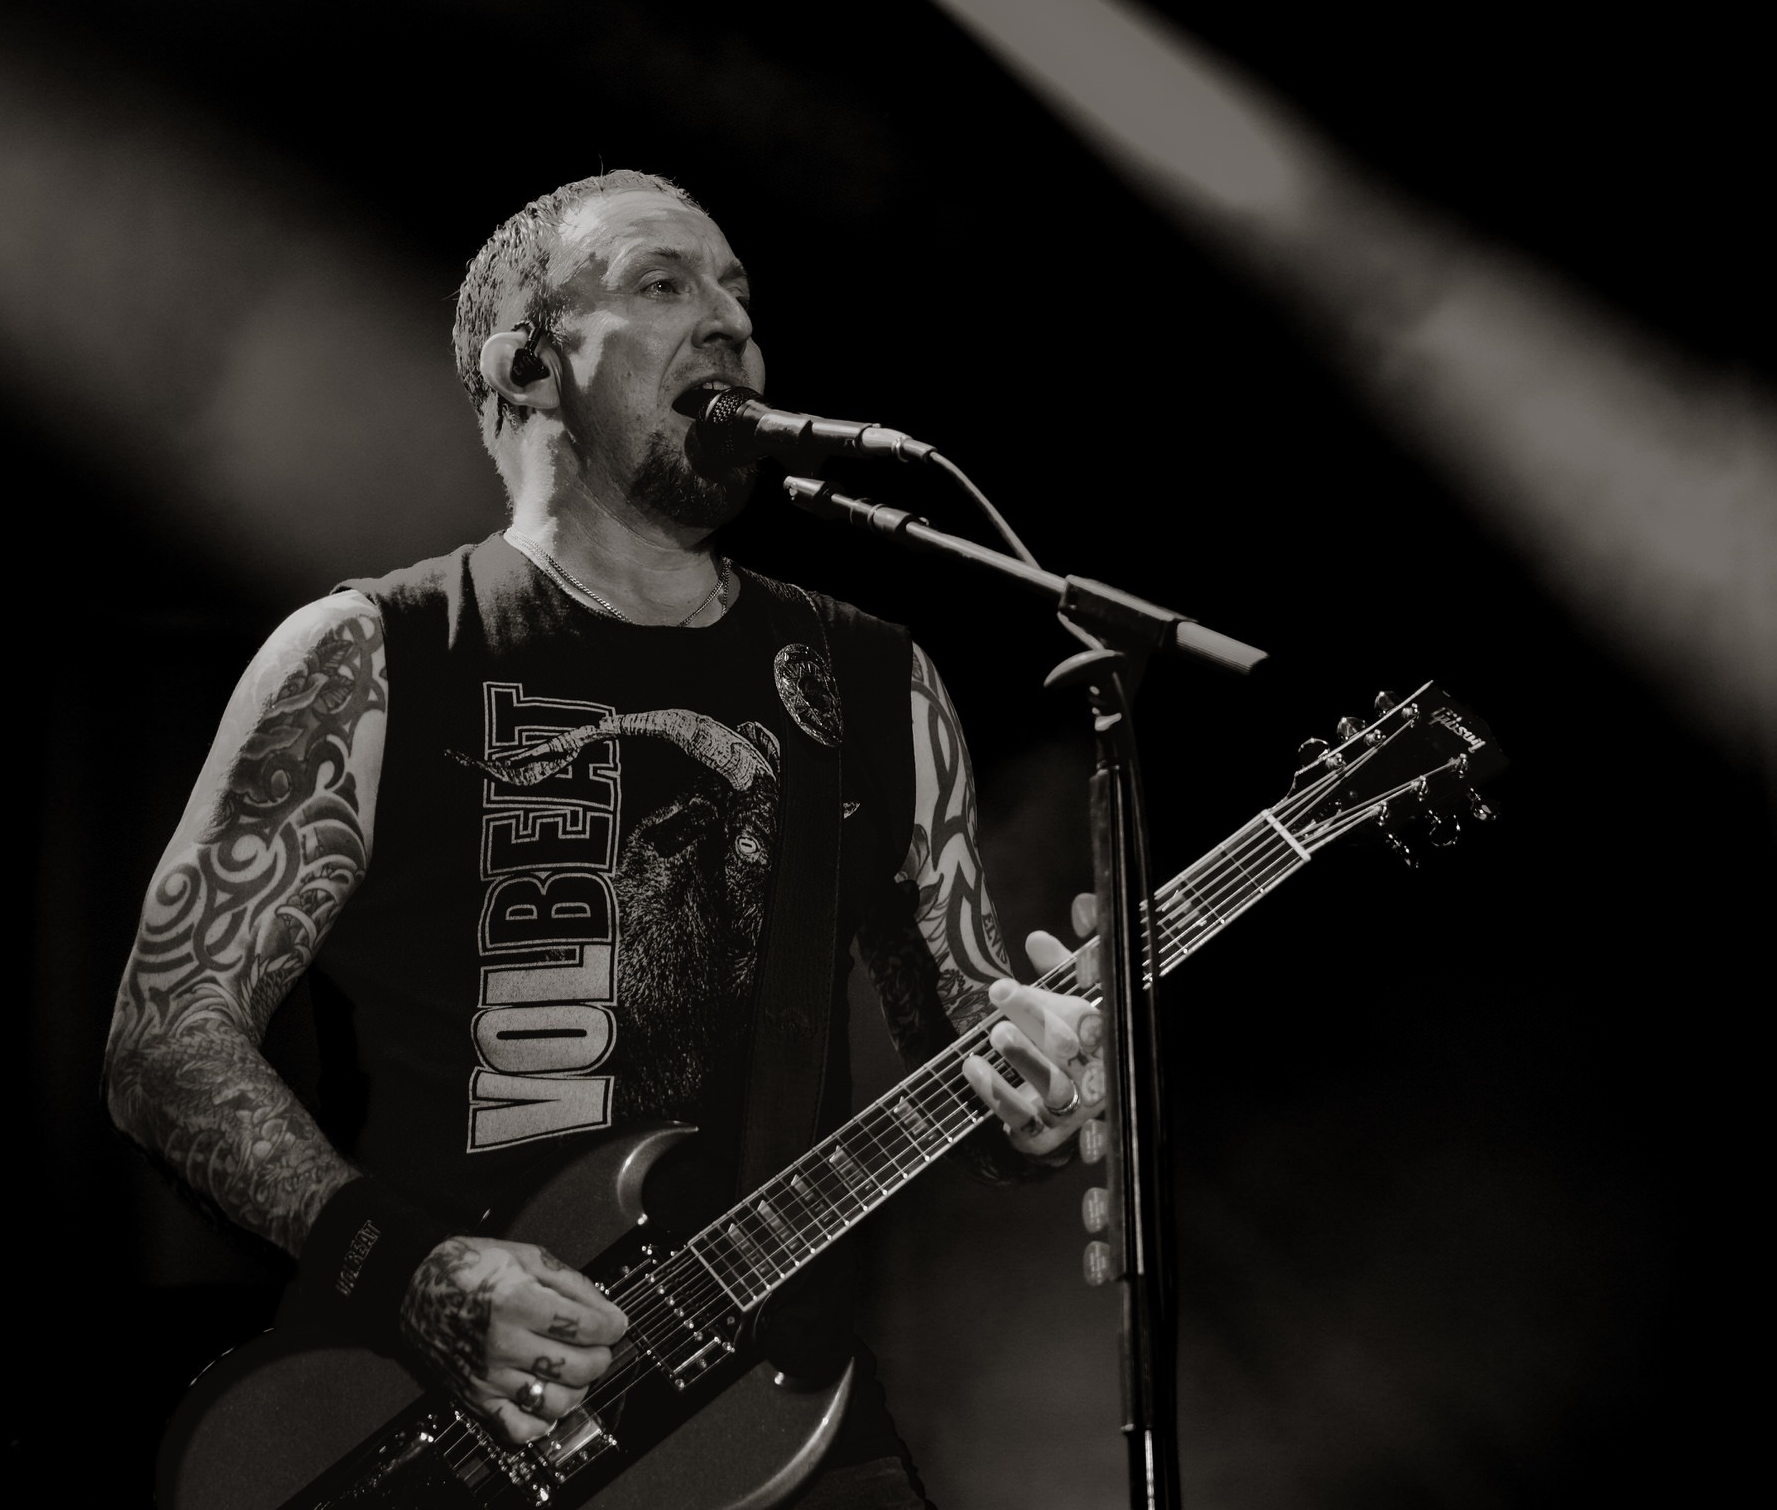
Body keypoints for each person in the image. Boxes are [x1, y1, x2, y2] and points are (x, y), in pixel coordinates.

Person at [103, 170, 1103, 1509]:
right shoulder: (375, 657)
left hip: (788, 1424)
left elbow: (980, 1065)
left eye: (739, 293)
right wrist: (407, 1273)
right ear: (527, 365)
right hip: (439, 1426)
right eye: (663, 284)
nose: (731, 322)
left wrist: (1045, 1093)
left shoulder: (873, 680)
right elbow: (165, 1039)